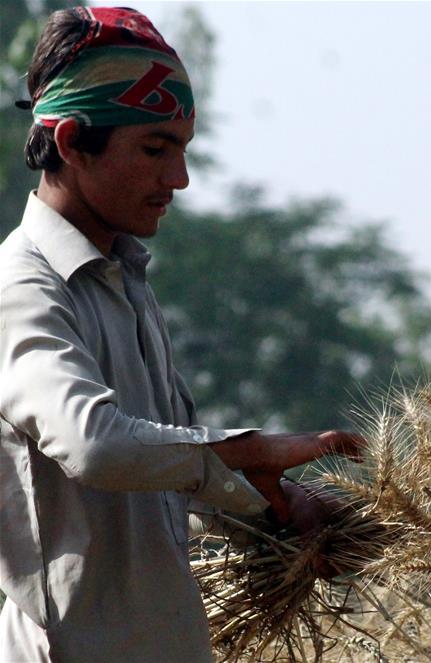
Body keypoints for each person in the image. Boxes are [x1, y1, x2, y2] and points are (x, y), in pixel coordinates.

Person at [0, 7, 365, 662]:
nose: (178, 179)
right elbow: (98, 445)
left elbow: (169, 464)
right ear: (76, 141)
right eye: (155, 149)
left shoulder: (129, 284)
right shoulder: (23, 288)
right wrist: (253, 448)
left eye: (183, 150)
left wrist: (276, 505)